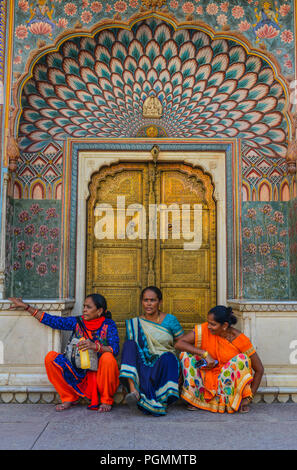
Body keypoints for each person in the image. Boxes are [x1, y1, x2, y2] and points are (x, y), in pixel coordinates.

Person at [8, 294, 120, 412]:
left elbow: (115, 349)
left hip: (100, 373)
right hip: (78, 370)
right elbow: (52, 321)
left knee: (108, 357)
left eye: (89, 307)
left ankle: (106, 399)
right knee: (50, 358)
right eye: (84, 306)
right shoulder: (77, 322)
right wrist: (26, 307)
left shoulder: (109, 325)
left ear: (99, 311)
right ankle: (68, 397)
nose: (84, 310)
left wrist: (95, 346)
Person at [175, 305, 264, 413]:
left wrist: (249, 398)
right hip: (205, 378)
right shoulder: (204, 330)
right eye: (208, 323)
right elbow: (179, 344)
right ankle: (196, 399)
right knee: (186, 356)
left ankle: (231, 401)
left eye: (213, 324)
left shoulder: (240, 339)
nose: (209, 326)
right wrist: (204, 354)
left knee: (242, 359)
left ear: (225, 325)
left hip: (225, 385)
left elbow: (259, 369)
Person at [119, 286, 184, 416]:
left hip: (163, 363)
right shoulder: (135, 323)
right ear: (142, 302)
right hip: (143, 364)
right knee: (129, 344)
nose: (148, 304)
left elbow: (183, 342)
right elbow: (132, 353)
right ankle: (134, 391)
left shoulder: (170, 320)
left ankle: (160, 398)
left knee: (169, 358)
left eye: (152, 300)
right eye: (145, 300)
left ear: (160, 302)